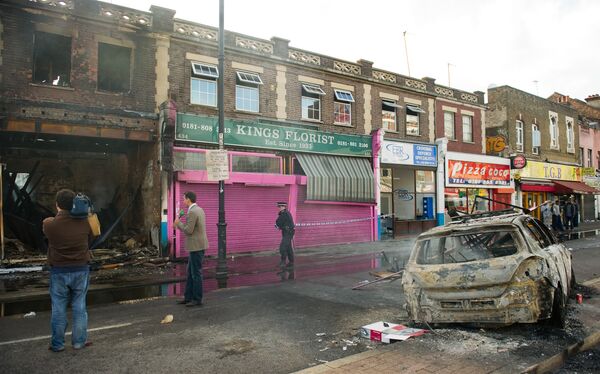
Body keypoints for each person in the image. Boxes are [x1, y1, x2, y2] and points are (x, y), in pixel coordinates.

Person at [43, 189, 95, 352]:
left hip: (58, 271)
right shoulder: (86, 222)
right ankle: (79, 342)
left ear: (57, 205)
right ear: (74, 204)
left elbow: (46, 234)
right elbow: (94, 235)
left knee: (58, 307)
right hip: (81, 269)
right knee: (79, 306)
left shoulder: (49, 224)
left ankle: (57, 344)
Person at [174, 191, 208, 307]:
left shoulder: (193, 212)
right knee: (190, 272)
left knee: (196, 273)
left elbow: (189, 230)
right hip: (197, 246)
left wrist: (178, 223)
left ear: (188, 199)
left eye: (184, 199)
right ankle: (188, 297)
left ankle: (197, 299)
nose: (183, 201)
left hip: (196, 247)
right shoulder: (199, 209)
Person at [275, 201, 295, 268]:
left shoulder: (285, 214)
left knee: (282, 247)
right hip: (288, 232)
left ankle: (283, 262)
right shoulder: (285, 213)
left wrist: (278, 225)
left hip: (288, 232)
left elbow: (278, 222)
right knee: (288, 247)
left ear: (283, 207)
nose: (279, 208)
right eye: (278, 207)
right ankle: (291, 261)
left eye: (280, 207)